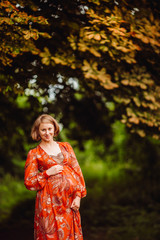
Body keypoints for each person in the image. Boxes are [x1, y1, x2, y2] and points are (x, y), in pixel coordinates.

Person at [24, 114, 87, 240]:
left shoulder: (66, 147)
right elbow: (29, 182)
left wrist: (78, 196)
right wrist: (47, 173)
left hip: (69, 203)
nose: (47, 133)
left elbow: (77, 172)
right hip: (49, 205)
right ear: (38, 131)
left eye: (49, 129)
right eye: (43, 130)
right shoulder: (34, 153)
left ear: (54, 129)